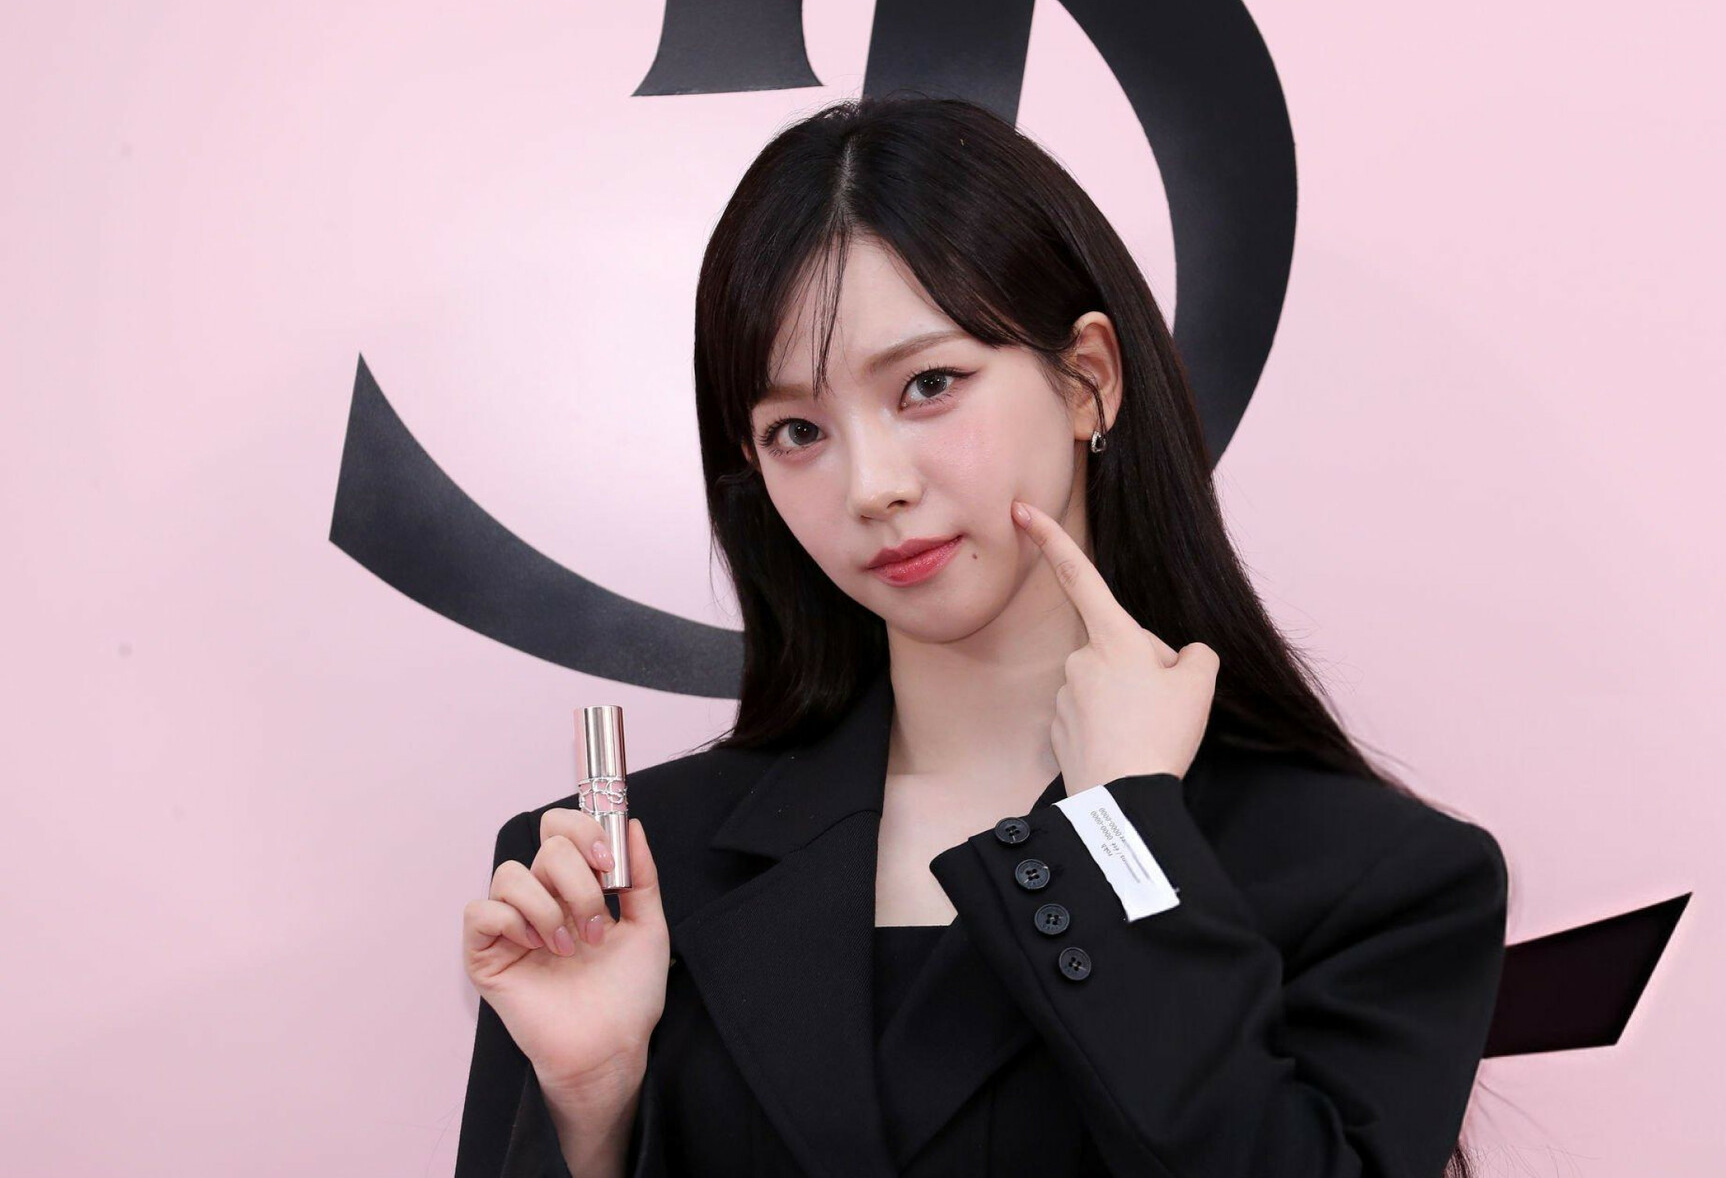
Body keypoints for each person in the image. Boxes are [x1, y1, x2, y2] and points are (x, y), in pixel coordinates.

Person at [456, 94, 1510, 1178]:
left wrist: (1121, 833)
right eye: (798, 431)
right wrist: (589, 1108)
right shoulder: (629, 876)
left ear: (1089, 378)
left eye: (929, 385)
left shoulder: (1377, 878)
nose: (871, 486)